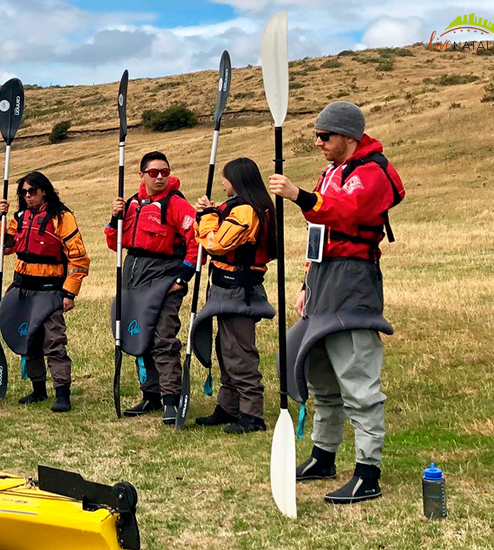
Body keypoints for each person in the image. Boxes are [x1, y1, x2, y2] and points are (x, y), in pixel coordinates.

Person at [269, 101, 405, 504]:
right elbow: (320, 229)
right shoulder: (332, 171)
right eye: (316, 135)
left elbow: (345, 211)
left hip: (353, 281)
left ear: (348, 136)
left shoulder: (373, 172)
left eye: (324, 136)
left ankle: (368, 472)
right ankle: (323, 455)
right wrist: (306, 283)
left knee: (357, 379)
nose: (318, 143)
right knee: (321, 376)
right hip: (322, 280)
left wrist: (298, 195)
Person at [105, 152, 199, 424]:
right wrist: (114, 219)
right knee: (139, 335)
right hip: (134, 278)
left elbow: (197, 239)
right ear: (142, 175)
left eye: (164, 172)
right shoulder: (132, 204)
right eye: (154, 172)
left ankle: (171, 399)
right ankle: (150, 395)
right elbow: (114, 243)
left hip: (164, 278)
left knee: (163, 338)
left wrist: (182, 278)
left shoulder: (176, 204)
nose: (160, 177)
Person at [190, 157, 277, 434]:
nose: (222, 183)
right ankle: (228, 406)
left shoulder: (246, 211)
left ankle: (252, 415)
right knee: (226, 349)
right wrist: (207, 214)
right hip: (226, 287)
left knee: (240, 353)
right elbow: (208, 236)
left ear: (237, 180)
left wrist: (208, 217)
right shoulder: (239, 207)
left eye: (225, 178)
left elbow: (216, 244)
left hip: (239, 290)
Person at [0, 171, 90, 412]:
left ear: (44, 191)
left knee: (54, 342)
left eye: (32, 191)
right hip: (23, 288)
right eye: (23, 192)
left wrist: (70, 292)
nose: (28, 196)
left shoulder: (62, 218)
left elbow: (78, 257)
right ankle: (38, 389)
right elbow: (3, 247)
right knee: (29, 339)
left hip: (50, 290)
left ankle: (62, 393)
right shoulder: (20, 217)